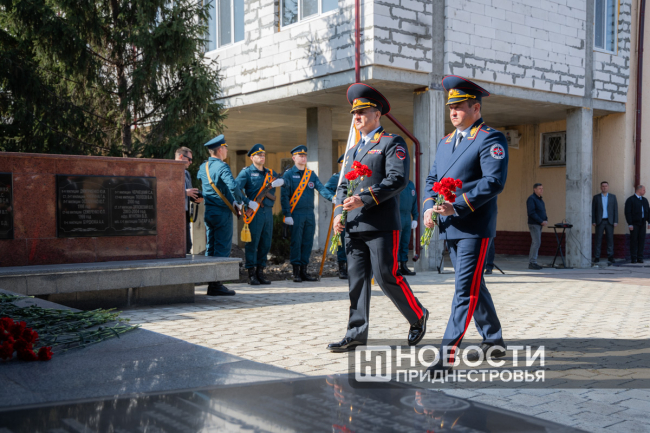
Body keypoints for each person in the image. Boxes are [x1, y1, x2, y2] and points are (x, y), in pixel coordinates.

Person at [327, 83, 429, 353]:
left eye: (362, 112)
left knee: (386, 276)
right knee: (357, 282)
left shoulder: (391, 142)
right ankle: (356, 333)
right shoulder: (352, 151)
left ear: (377, 114)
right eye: (354, 113)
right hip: (354, 225)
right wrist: (338, 213)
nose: (357, 117)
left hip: (381, 224)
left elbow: (397, 179)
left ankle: (417, 315)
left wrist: (364, 198)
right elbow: (342, 187)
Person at [423, 76, 507, 372]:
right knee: (472, 284)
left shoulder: (490, 138)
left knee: (464, 290)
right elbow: (432, 179)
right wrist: (428, 207)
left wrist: (457, 205)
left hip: (473, 225)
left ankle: (446, 356)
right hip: (450, 225)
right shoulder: (445, 141)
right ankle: (494, 340)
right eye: (451, 107)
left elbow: (493, 181)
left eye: (459, 107)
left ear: (476, 108)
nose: (454, 112)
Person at [197, 134, 255, 296]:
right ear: (220, 149)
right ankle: (216, 285)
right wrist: (241, 202)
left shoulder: (203, 167)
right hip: (222, 212)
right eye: (225, 148)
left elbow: (204, 183)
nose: (227, 150)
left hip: (209, 211)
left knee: (211, 248)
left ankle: (211, 283)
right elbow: (233, 186)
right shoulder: (222, 167)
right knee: (222, 248)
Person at [281, 145, 334, 282]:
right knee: (296, 242)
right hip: (296, 214)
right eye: (300, 156)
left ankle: (304, 271)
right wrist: (287, 214)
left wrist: (332, 198)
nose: (303, 158)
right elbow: (284, 196)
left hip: (310, 214)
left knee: (307, 242)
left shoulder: (310, 175)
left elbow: (321, 188)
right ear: (294, 158)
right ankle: (296, 272)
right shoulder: (288, 175)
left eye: (305, 156)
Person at [236, 144, 284, 285]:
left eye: (263, 155)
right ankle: (251, 274)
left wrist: (281, 182)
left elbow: (285, 181)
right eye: (259, 155)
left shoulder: (271, 173)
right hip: (254, 212)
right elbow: (236, 189)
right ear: (252, 157)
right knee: (252, 243)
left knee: (266, 243)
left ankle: (260, 272)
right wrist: (247, 202)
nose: (262, 157)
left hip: (267, 212)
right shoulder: (246, 172)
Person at [175, 147, 203, 254]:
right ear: (181, 156)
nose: (191, 162)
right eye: (189, 159)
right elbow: (164, 192)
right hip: (173, 215)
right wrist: (184, 192)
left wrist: (196, 198)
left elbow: (189, 193)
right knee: (176, 245)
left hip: (185, 213)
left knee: (187, 245)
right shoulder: (169, 170)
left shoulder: (186, 173)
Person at [325, 155, 348, 279]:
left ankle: (352, 267)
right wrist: (333, 198)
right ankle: (342, 268)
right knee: (341, 240)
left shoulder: (355, 176)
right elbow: (326, 188)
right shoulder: (337, 177)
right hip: (341, 212)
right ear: (340, 164)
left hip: (354, 212)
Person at [592, 181, 618, 264]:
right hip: (599, 221)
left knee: (610, 240)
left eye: (606, 186)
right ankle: (597, 257)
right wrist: (593, 221)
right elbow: (593, 210)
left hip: (609, 221)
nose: (604, 188)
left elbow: (615, 210)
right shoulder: (596, 197)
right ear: (600, 188)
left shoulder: (613, 197)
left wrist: (615, 221)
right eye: (603, 186)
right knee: (598, 240)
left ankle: (610, 256)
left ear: (608, 187)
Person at [398, 180, 419, 275]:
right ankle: (395, 267)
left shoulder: (410, 184)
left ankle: (403, 265)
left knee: (405, 242)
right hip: (398, 216)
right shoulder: (397, 182)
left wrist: (415, 217)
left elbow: (414, 202)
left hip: (407, 217)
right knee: (397, 243)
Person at [625, 185, 650, 263]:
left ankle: (640, 258)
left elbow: (648, 212)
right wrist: (630, 224)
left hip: (642, 223)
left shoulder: (645, 200)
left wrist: (649, 222)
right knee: (634, 241)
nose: (645, 191)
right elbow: (628, 213)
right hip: (634, 224)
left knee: (641, 240)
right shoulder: (630, 200)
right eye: (644, 190)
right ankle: (633, 258)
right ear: (639, 190)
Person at [526, 183, 547, 270]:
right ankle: (532, 263)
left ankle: (533, 262)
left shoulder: (540, 200)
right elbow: (531, 213)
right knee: (536, 242)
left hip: (539, 224)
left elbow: (543, 211)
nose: (541, 190)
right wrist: (541, 221)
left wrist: (545, 219)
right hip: (534, 224)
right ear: (535, 189)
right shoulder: (531, 199)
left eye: (542, 188)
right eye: (539, 188)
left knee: (536, 242)